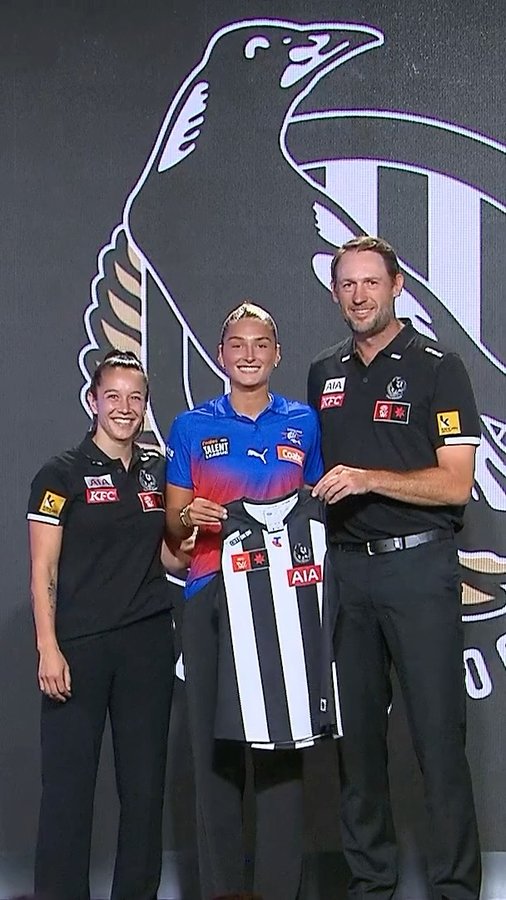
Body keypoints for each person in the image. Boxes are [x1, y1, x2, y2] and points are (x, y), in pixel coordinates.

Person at [308, 236, 482, 900]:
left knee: (437, 739)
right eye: (347, 285)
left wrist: (369, 479)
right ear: (335, 293)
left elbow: (455, 485)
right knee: (357, 745)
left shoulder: (439, 366)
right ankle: (371, 884)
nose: (359, 296)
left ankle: (456, 888)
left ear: (397, 285)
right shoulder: (324, 371)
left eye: (370, 283)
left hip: (418, 570)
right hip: (346, 573)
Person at [165, 302, 325, 900]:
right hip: (210, 593)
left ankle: (281, 890)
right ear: (222, 353)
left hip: (284, 599)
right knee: (215, 750)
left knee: (282, 745)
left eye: (261, 343)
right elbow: (174, 537)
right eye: (237, 344)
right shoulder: (190, 426)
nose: (250, 354)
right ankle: (225, 891)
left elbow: (316, 510)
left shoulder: (304, 423)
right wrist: (187, 517)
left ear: (276, 353)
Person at [27, 350, 185, 900]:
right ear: (93, 401)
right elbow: (43, 568)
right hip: (79, 646)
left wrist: (206, 536)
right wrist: (48, 646)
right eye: (112, 396)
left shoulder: (157, 469)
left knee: (143, 790)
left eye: (134, 397)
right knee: (68, 788)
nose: (124, 407)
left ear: (145, 406)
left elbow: (169, 557)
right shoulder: (60, 472)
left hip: (146, 642)